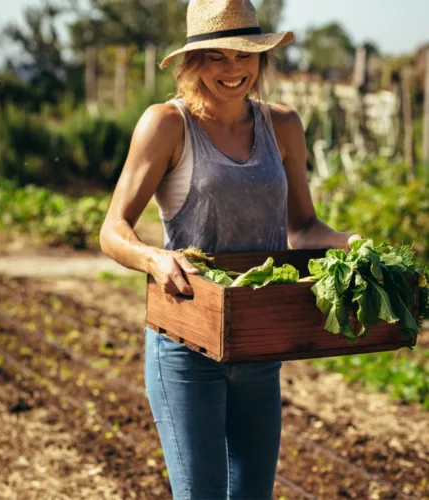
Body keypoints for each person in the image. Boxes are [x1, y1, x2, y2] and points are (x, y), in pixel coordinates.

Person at [100, 1, 361, 498]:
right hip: (186, 346)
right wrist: (155, 259)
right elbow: (113, 229)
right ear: (191, 62)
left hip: (259, 344)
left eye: (245, 55)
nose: (233, 69)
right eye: (216, 57)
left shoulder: (282, 126)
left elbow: (303, 228)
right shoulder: (167, 125)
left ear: (262, 59)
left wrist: (353, 243)